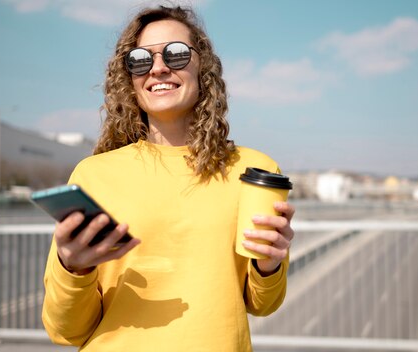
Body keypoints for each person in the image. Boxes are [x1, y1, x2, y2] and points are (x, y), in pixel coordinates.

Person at [41, 5, 296, 351]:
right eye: (140, 60)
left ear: (202, 66)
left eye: (175, 54)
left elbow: (262, 304)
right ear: (129, 78)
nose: (158, 68)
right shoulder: (94, 174)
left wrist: (269, 266)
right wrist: (72, 268)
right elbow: (66, 331)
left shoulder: (255, 172)